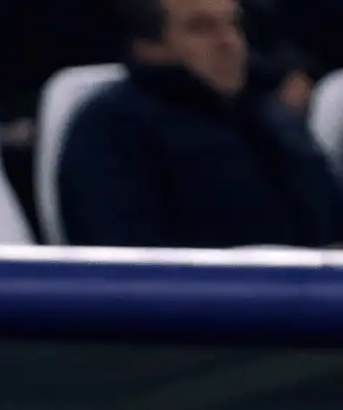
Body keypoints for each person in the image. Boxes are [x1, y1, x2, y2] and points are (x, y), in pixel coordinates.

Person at [57, 0, 343, 248]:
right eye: (202, 28)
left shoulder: (270, 116)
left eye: (234, 25)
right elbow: (127, 260)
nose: (229, 42)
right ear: (148, 46)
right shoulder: (110, 128)